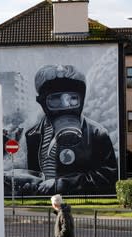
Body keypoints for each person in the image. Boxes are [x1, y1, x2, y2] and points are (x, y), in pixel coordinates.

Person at [22, 64, 117, 195]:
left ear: (82, 99)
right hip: (44, 203)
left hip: (73, 202)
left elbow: (108, 177)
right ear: (42, 102)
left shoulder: (97, 134)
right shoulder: (33, 135)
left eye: (73, 99)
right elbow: (35, 174)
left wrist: (62, 184)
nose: (65, 105)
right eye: (55, 99)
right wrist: (31, 186)